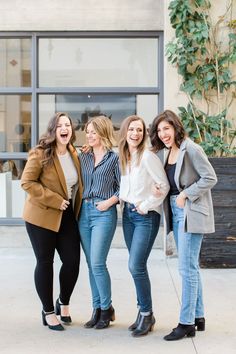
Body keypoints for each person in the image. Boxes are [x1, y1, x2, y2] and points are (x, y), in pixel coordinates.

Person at [149, 110, 217, 341]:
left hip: (189, 212)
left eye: (166, 128)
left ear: (176, 127)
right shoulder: (168, 152)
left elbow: (210, 177)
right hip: (176, 212)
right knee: (191, 267)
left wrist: (187, 194)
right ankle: (198, 317)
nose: (163, 134)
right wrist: (161, 190)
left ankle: (186, 322)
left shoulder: (192, 149)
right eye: (159, 130)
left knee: (186, 269)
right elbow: (173, 183)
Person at [21, 112, 83, 331]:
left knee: (72, 261)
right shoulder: (40, 154)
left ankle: (63, 302)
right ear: (53, 130)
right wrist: (55, 199)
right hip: (41, 216)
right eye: (60, 125)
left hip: (66, 216)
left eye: (68, 125)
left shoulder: (75, 153)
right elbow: (27, 182)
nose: (65, 128)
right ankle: (48, 311)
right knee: (45, 262)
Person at [118, 115, 169, 337]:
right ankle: (142, 312)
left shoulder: (148, 157)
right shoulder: (125, 157)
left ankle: (147, 313)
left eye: (139, 130)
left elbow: (163, 185)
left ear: (144, 134)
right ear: (125, 132)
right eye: (132, 129)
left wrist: (147, 204)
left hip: (145, 217)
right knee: (137, 266)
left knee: (135, 265)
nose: (135, 134)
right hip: (128, 216)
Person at [78, 115, 120, 330]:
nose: (89, 135)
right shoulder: (82, 156)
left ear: (103, 132)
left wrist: (108, 202)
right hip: (83, 213)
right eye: (87, 132)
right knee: (90, 264)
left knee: (97, 262)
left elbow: (124, 188)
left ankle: (106, 308)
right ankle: (96, 309)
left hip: (104, 212)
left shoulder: (114, 158)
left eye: (93, 132)